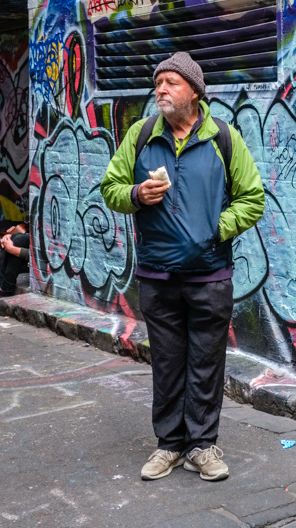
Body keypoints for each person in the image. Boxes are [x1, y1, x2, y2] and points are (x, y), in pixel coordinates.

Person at [101, 51, 264, 483]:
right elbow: (110, 187)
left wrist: (217, 229)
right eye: (158, 83)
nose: (161, 90)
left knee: (206, 364)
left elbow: (253, 198)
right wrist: (137, 194)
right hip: (157, 275)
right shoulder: (141, 135)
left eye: (171, 82)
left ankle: (203, 446)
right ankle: (169, 446)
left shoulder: (223, 138)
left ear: (194, 91)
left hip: (210, 276)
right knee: (168, 363)